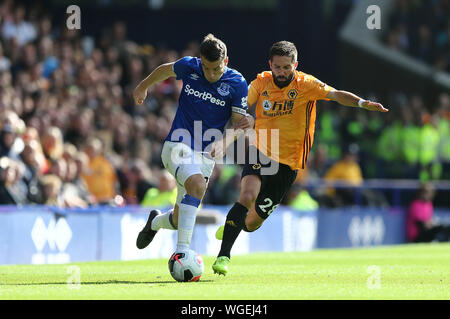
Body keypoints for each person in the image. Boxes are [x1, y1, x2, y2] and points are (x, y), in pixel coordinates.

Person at [212, 41, 389, 275]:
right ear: (270, 65)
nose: (282, 72)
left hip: (289, 163)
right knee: (246, 195)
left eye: (287, 67)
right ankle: (223, 256)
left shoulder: (306, 84)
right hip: (262, 149)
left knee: (253, 223)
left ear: (295, 65)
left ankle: (233, 225)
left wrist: (361, 103)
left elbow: (335, 94)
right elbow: (240, 107)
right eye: (277, 67)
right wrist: (227, 135)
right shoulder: (261, 82)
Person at [133, 34, 253, 255]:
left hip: (206, 155)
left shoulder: (237, 83)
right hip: (177, 145)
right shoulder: (190, 66)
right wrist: (143, 86)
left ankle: (155, 223)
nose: (211, 74)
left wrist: (225, 141)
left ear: (226, 61)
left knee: (180, 219)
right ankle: (182, 253)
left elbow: (239, 124)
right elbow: (165, 70)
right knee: (197, 185)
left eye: (216, 68)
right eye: (207, 68)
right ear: (200, 60)